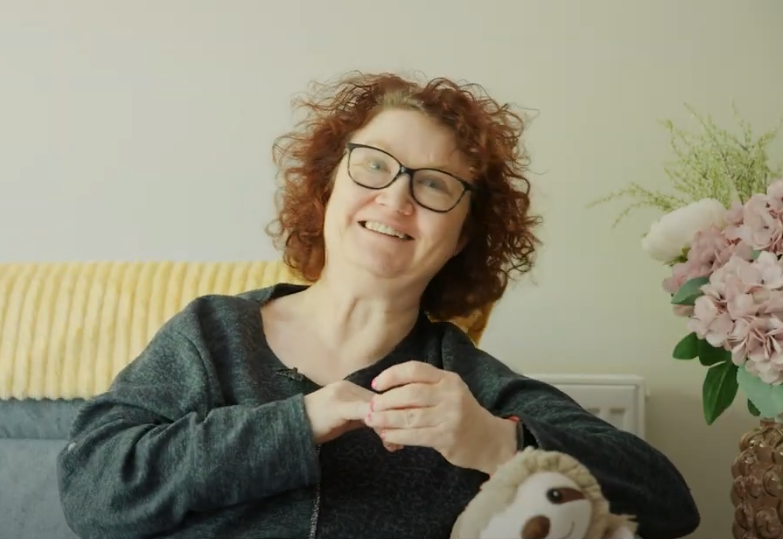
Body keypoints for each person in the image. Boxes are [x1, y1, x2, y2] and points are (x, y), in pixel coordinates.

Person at [56, 71, 700, 539]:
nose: (395, 200)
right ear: (328, 186)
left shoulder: (467, 385)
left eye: (434, 185)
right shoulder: (213, 332)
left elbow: (669, 503)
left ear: (463, 236)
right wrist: (296, 423)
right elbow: (92, 490)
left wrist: (497, 440)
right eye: (373, 167)